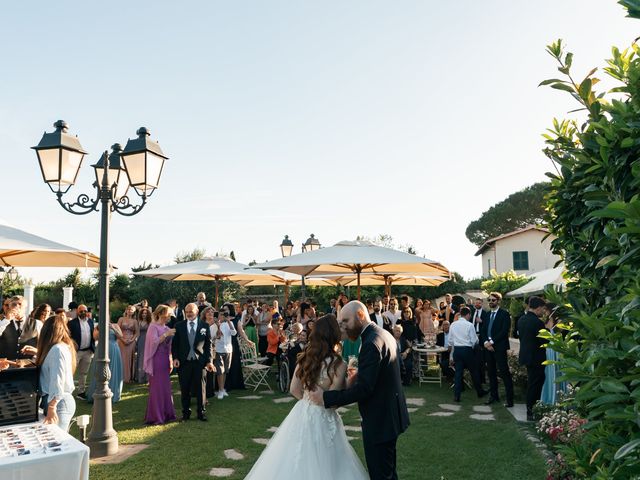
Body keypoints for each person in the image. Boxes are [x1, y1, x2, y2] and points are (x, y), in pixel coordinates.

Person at [245, 314, 368, 479]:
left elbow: (294, 389)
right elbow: (333, 402)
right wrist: (349, 382)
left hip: (303, 411)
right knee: (329, 461)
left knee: (294, 456)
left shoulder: (305, 357)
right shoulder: (339, 364)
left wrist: (308, 400)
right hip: (325, 417)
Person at [309, 302, 410, 480]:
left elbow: (364, 389)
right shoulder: (383, 334)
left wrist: (326, 397)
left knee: (380, 474)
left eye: (346, 321)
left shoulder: (371, 342)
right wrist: (363, 374)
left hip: (380, 420)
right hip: (390, 415)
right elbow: (394, 372)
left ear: (361, 316)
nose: (343, 327)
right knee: (388, 472)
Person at [171, 302, 214, 421]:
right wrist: (175, 358)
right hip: (184, 363)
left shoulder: (204, 326)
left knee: (201, 389)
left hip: (199, 363)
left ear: (197, 312)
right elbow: (175, 345)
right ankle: (186, 413)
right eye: (187, 311)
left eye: (191, 311)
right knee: (184, 389)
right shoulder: (179, 325)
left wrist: (209, 361)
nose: (189, 314)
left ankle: (201, 413)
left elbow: (208, 345)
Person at [36, 314, 76, 432]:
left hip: (58, 403)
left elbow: (57, 380)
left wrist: (52, 407)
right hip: (54, 401)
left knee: (56, 443)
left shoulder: (57, 349)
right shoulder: (57, 348)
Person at [144, 304, 177, 425]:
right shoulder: (153, 327)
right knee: (157, 388)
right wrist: (166, 335)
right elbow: (153, 343)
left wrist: (170, 358)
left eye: (169, 314)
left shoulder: (167, 328)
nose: (169, 316)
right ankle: (156, 416)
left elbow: (170, 347)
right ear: (160, 314)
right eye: (167, 314)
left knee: (166, 388)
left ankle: (168, 414)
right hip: (156, 359)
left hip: (165, 359)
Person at [480, 292, 514, 408]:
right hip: (488, 348)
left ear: (498, 301)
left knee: (504, 373)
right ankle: (494, 396)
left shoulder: (504, 314)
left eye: (493, 300)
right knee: (491, 373)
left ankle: (510, 400)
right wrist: (485, 342)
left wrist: (492, 342)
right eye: (489, 300)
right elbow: (483, 330)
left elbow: (504, 331)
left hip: (499, 347)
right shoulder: (487, 314)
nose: (490, 302)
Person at [518, 296, 548, 421]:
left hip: (526, 356)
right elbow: (544, 340)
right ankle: (531, 411)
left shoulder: (521, 319)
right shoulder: (537, 322)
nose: (543, 312)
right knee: (535, 385)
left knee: (532, 383)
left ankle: (531, 409)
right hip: (536, 358)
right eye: (543, 309)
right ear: (539, 308)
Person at [448, 307, 487, 402]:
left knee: (458, 373)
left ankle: (457, 395)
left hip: (457, 350)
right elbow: (474, 341)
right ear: (468, 314)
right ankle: (479, 391)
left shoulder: (453, 324)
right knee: (474, 371)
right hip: (467, 350)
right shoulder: (469, 325)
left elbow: (450, 341)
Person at [86, 320, 124, 403]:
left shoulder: (115, 325)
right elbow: (95, 338)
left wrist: (113, 328)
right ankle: (97, 393)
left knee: (112, 370)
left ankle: (113, 393)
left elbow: (121, 336)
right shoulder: (99, 326)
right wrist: (100, 329)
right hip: (101, 349)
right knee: (99, 369)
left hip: (113, 349)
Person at [541, 303, 566, 405]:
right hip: (550, 349)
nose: (544, 312)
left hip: (556, 348)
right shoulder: (547, 320)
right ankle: (551, 397)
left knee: (557, 371)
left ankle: (558, 397)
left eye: (546, 309)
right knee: (550, 373)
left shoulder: (559, 321)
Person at [68, 304, 95, 399]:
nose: (83, 313)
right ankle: (68, 391)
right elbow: (68, 336)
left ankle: (81, 392)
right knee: (71, 372)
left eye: (85, 311)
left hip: (88, 351)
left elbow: (93, 335)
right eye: (81, 311)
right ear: (77, 312)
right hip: (76, 352)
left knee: (84, 373)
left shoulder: (90, 322)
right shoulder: (72, 323)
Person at [211, 304, 237, 400]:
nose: (223, 316)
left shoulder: (229, 323)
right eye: (221, 315)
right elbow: (213, 338)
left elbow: (234, 333)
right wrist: (218, 327)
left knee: (225, 370)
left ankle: (222, 389)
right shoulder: (214, 325)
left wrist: (229, 321)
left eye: (224, 315)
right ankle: (221, 390)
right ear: (218, 316)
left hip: (228, 350)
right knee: (219, 371)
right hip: (218, 350)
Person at [117, 305, 139, 384]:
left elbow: (137, 332)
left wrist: (131, 340)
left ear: (133, 312)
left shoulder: (135, 321)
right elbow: (117, 330)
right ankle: (120, 376)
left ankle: (128, 377)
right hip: (121, 340)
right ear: (126, 310)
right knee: (121, 358)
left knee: (129, 359)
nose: (130, 311)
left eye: (132, 310)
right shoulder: (121, 319)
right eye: (129, 309)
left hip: (131, 341)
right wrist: (122, 339)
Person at [135, 306, 152, 383]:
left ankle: (147, 377)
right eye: (142, 313)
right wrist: (136, 341)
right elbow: (137, 333)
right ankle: (140, 377)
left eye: (145, 313)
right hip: (141, 340)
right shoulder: (138, 322)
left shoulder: (150, 322)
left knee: (147, 357)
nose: (144, 314)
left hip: (148, 340)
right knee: (140, 357)